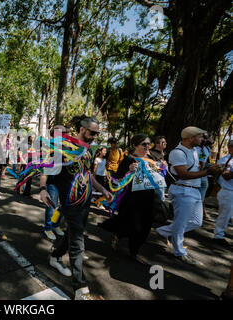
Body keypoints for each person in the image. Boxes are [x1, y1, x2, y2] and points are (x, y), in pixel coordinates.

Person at [39, 116, 114, 300]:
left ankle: (55, 256)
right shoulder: (63, 147)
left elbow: (88, 175)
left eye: (97, 133)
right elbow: (46, 169)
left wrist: (103, 189)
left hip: (85, 201)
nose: (95, 136)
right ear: (82, 129)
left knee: (73, 234)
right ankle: (80, 288)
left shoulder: (88, 151)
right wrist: (42, 189)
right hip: (69, 202)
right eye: (92, 132)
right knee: (78, 242)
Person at [155, 127, 222, 265]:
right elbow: (184, 175)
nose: (203, 139)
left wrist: (211, 168)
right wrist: (208, 172)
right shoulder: (177, 152)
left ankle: (162, 231)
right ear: (191, 137)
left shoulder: (194, 151)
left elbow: (196, 169)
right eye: (200, 137)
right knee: (180, 223)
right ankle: (179, 252)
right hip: (183, 190)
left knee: (197, 221)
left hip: (194, 190)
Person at [99, 134, 161, 264]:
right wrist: (128, 170)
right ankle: (118, 235)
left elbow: (160, 175)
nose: (147, 146)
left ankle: (134, 251)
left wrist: (163, 168)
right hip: (132, 198)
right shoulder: (128, 160)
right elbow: (117, 177)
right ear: (135, 145)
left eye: (149, 144)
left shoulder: (152, 158)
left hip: (149, 196)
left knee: (145, 226)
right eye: (144, 144)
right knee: (130, 223)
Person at [42, 125, 67, 241]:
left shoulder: (69, 148)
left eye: (65, 133)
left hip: (65, 183)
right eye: (62, 133)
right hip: (53, 182)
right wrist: (42, 188)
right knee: (52, 206)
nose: (64, 135)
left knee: (63, 207)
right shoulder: (49, 148)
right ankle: (48, 227)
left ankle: (55, 224)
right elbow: (45, 169)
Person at [212, 139, 233, 247]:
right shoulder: (224, 161)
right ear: (229, 148)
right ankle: (218, 236)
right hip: (228, 192)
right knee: (224, 216)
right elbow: (226, 175)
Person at [196, 134, 212, 219]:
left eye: (205, 138)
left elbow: (205, 161)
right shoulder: (194, 148)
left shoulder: (207, 149)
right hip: (195, 175)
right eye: (203, 138)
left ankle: (200, 213)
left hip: (203, 175)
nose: (204, 140)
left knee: (201, 197)